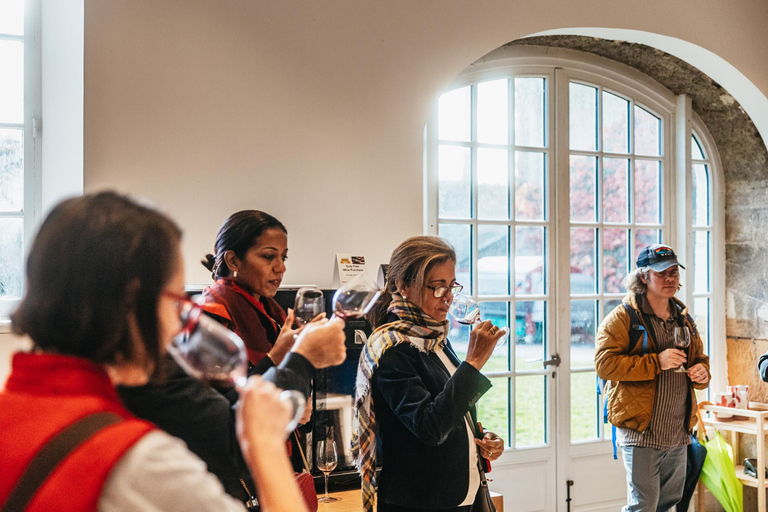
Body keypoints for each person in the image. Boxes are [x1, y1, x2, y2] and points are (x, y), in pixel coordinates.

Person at [0, 191, 312, 512]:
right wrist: (265, 443)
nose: (180, 323)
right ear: (134, 303)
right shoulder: (139, 462)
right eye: (176, 299)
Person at [117, 209, 346, 504]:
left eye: (283, 257)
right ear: (233, 261)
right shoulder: (212, 315)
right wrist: (290, 359)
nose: (281, 268)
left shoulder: (271, 313)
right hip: (234, 478)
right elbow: (224, 412)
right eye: (268, 257)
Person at [352, 236, 505, 512]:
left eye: (451, 286)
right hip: (421, 501)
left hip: (465, 495)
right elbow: (429, 427)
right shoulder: (391, 347)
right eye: (437, 287)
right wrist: (472, 363)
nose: (448, 297)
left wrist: (481, 440)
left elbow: (450, 411)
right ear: (402, 286)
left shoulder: (435, 337)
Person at [595, 244, 710, 512]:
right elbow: (604, 364)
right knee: (643, 506)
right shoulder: (622, 318)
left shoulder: (684, 318)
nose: (670, 279)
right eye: (662, 273)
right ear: (643, 276)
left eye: (674, 272)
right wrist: (656, 362)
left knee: (669, 504)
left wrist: (702, 373)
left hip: (677, 431)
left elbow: (699, 359)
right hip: (640, 430)